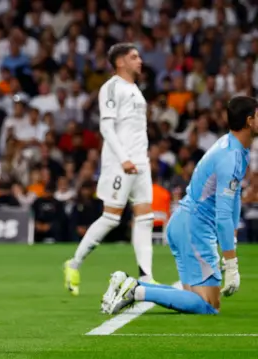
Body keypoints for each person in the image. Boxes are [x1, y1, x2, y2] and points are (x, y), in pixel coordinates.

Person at [103, 96, 257, 315]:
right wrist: (231, 263)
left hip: (186, 222)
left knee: (193, 300)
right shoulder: (231, 156)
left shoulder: (232, 147)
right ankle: (135, 290)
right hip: (195, 228)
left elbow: (234, 198)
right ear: (249, 121)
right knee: (209, 306)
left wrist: (230, 239)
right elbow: (222, 215)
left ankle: (129, 285)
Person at [63, 43, 155, 296]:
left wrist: (139, 157)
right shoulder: (111, 88)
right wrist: (124, 158)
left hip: (141, 162)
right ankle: (74, 263)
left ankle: (147, 277)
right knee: (112, 218)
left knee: (145, 218)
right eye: (134, 57)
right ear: (120, 62)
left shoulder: (135, 89)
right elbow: (106, 127)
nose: (140, 60)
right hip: (120, 163)